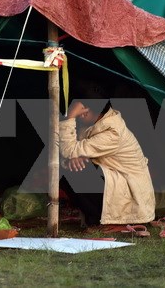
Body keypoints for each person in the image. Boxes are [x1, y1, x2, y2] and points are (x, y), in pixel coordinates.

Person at [59, 80, 155, 230]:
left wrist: (70, 116)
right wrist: (74, 156)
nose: (78, 115)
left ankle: (102, 219)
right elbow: (68, 150)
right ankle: (95, 218)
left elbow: (69, 150)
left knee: (77, 169)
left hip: (130, 193)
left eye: (79, 111)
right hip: (113, 180)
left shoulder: (113, 131)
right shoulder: (93, 123)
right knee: (67, 166)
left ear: (86, 112)